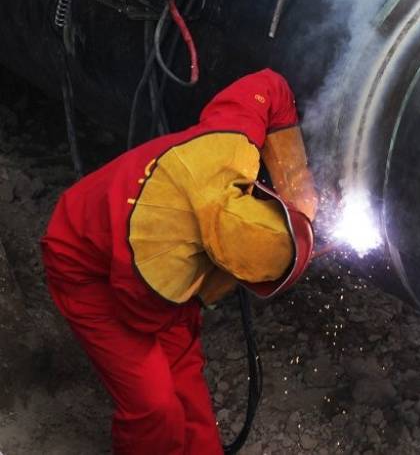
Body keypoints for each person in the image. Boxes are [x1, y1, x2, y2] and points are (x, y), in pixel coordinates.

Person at [41, 69, 318, 454]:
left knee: (187, 390)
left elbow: (271, 87)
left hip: (119, 234)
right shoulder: (156, 268)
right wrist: (211, 287)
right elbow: (143, 318)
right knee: (154, 407)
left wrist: (296, 184)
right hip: (81, 263)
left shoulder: (231, 148)